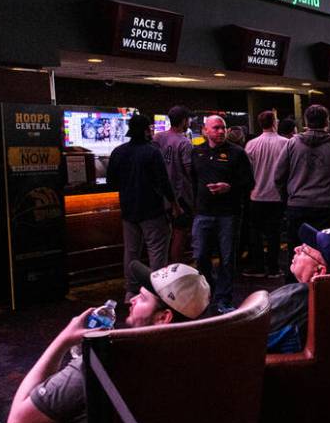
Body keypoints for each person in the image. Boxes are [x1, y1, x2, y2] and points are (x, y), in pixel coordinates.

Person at [7, 262, 210, 423]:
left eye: (142, 297)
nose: (132, 300)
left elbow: (17, 422)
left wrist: (62, 340)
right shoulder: (197, 358)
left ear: (163, 317)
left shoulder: (99, 362)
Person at [274, 105, 330, 278]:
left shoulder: (292, 144)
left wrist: (287, 198)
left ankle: (293, 294)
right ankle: (324, 296)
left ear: (305, 122)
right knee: (328, 256)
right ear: (327, 122)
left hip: (298, 207)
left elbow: (278, 176)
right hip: (329, 207)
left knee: (295, 254)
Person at [107, 114, 172, 300]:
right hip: (152, 209)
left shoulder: (118, 152)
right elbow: (163, 181)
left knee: (131, 251)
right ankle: (156, 292)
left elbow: (111, 182)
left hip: (128, 210)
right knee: (157, 250)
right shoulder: (152, 152)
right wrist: (174, 203)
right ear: (145, 130)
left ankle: (131, 291)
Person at [191, 116, 253, 313]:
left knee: (227, 258)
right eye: (216, 128)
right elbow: (193, 180)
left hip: (228, 214)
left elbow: (249, 183)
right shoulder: (197, 152)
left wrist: (230, 187)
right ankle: (211, 289)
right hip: (203, 213)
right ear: (205, 130)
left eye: (223, 128)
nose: (220, 131)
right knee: (200, 256)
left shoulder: (237, 153)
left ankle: (223, 298)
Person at [266, 225, 330, 354]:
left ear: (319, 271)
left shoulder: (296, 300)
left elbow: (239, 329)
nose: (296, 249)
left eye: (304, 250)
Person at [243, 110, 290, 278]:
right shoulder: (285, 143)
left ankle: (258, 266)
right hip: (277, 195)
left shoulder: (251, 144)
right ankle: (273, 267)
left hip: (256, 195)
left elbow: (246, 171)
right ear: (274, 122)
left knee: (255, 232)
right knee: (274, 233)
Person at [153, 104, 195, 263]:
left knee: (162, 236)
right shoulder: (185, 143)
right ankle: (176, 269)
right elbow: (189, 171)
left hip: (160, 196)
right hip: (180, 196)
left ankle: (163, 269)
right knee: (180, 233)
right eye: (188, 120)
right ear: (184, 121)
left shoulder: (157, 138)